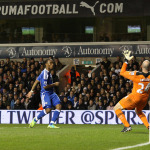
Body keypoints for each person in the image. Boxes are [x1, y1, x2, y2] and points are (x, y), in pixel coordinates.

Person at [114, 50, 150, 132]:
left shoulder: (136, 74)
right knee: (138, 111)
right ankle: (148, 126)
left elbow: (122, 72)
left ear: (141, 66)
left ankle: (127, 126)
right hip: (144, 99)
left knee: (116, 108)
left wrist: (126, 61)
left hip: (135, 97)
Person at [27, 59, 61, 128]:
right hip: (45, 93)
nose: (52, 64)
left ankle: (51, 124)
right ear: (46, 64)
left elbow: (36, 81)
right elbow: (45, 87)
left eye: (52, 63)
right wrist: (54, 84)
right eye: (50, 63)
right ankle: (35, 119)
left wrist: (31, 91)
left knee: (59, 106)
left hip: (51, 92)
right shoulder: (45, 73)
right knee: (48, 109)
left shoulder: (47, 73)